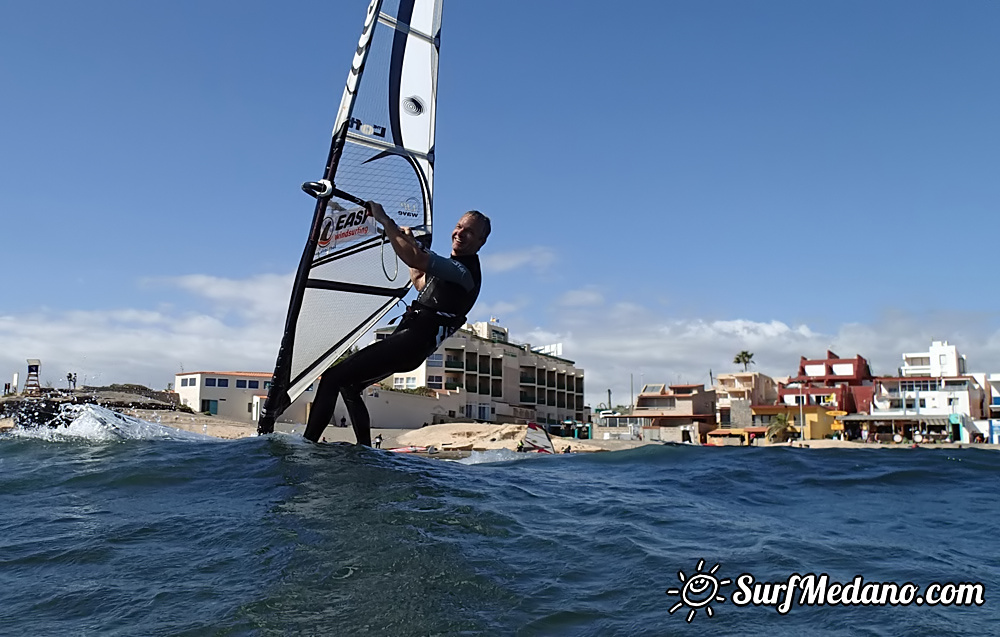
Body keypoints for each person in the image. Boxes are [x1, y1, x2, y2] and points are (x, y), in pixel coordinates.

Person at [303, 203, 490, 445]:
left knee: (331, 378)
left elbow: (415, 258)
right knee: (348, 387)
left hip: (411, 342)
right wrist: (407, 240)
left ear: (480, 242)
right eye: (458, 226)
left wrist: (384, 219)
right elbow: (420, 280)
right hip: (409, 344)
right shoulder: (450, 271)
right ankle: (365, 452)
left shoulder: (465, 272)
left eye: (470, 232)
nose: (460, 233)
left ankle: (306, 448)